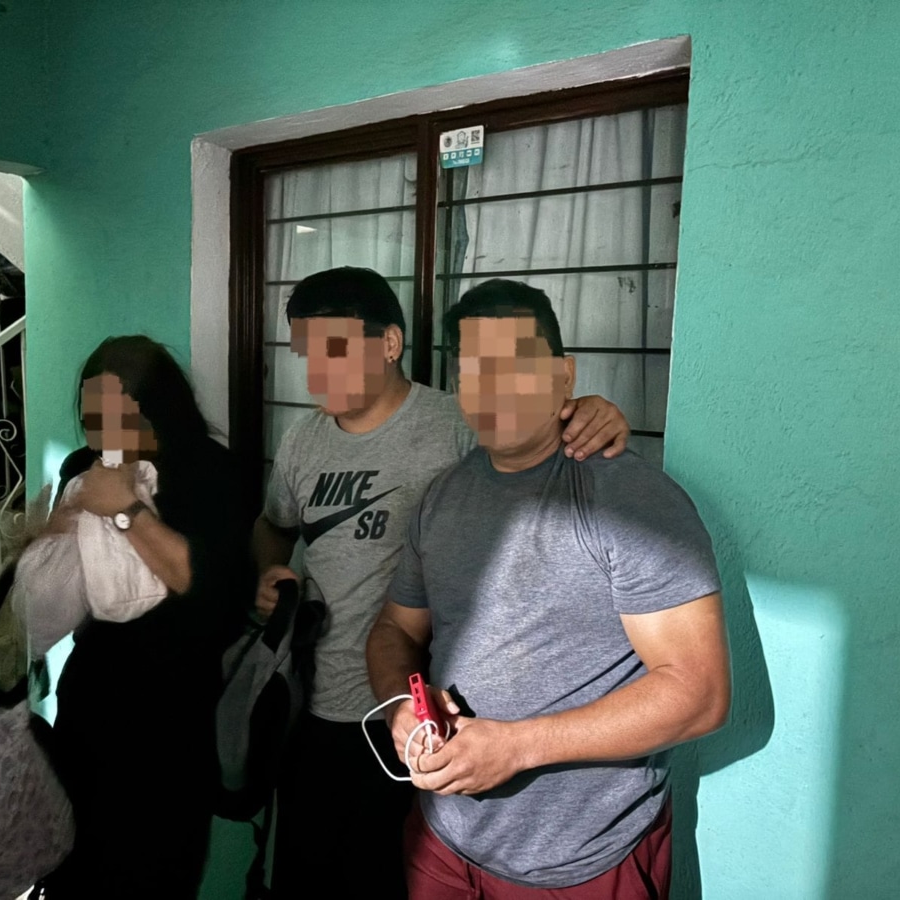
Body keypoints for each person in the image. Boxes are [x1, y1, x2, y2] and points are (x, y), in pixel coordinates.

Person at [254, 267, 633, 897]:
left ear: (389, 344)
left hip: (430, 722)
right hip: (312, 706)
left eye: (332, 351)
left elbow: (543, 438)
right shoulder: (302, 441)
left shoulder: (458, 423)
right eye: (305, 356)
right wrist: (269, 571)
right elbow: (273, 526)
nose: (316, 373)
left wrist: (592, 414)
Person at [365, 279, 732, 898]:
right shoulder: (443, 497)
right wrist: (403, 705)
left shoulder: (630, 500)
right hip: (444, 841)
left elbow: (701, 693)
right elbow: (394, 630)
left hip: (582, 857)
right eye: (474, 370)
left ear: (564, 376)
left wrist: (517, 747)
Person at [32, 336, 249, 897]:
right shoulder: (82, 467)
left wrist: (125, 510)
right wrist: (38, 546)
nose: (99, 435)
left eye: (115, 417)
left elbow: (210, 593)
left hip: (174, 720)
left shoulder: (211, 471)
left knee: (156, 876)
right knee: (73, 874)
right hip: (90, 702)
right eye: (90, 419)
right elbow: (66, 584)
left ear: (157, 410)